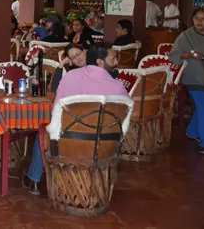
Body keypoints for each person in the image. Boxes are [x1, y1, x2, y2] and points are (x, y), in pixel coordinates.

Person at [23, 43, 130, 195]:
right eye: (113, 59)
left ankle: (34, 178)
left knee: (44, 130)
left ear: (85, 52)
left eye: (78, 54)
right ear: (100, 62)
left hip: (70, 143)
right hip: (104, 146)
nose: (116, 62)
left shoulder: (70, 78)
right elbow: (125, 119)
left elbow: (57, 113)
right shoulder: (118, 86)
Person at [169, 8, 204, 155]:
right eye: (197, 18)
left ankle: (192, 130)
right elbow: (173, 56)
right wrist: (188, 54)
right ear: (192, 19)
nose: (200, 22)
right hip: (193, 77)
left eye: (203, 19)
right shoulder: (185, 36)